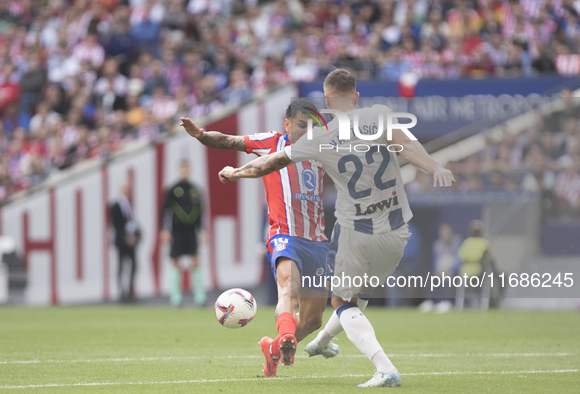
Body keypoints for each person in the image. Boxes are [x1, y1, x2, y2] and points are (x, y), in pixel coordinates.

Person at [218, 68, 454, 387]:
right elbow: (408, 147)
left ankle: (384, 369)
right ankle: (322, 341)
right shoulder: (380, 116)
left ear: (326, 100)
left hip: (358, 233)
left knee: (343, 303)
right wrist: (436, 166)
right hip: (398, 230)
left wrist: (237, 172)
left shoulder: (318, 139)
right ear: (356, 97)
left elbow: (269, 162)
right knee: (360, 294)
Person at [179, 98, 335, 378]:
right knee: (288, 287)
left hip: (317, 240)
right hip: (284, 234)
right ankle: (285, 338)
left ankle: (273, 350)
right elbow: (228, 141)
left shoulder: (321, 148)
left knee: (312, 320)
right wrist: (202, 136)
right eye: (301, 124)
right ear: (287, 124)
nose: (307, 130)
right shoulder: (271, 142)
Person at [160, 160, 206, 307]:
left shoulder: (195, 189)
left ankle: (200, 297)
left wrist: (203, 230)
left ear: (190, 170)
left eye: (187, 169)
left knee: (196, 261)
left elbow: (200, 212)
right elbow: (164, 211)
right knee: (175, 262)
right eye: (183, 169)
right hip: (177, 231)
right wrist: (164, 229)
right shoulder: (172, 190)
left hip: (191, 231)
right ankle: (176, 298)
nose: (185, 172)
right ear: (179, 170)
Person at [111, 183, 141, 302]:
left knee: (134, 265)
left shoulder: (130, 204)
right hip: (122, 241)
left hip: (132, 240)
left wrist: (137, 235)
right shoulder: (116, 205)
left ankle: (129, 290)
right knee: (121, 266)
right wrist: (126, 237)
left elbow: (133, 222)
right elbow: (116, 225)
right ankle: (121, 292)